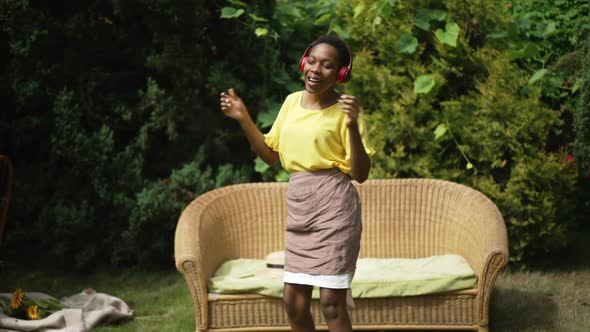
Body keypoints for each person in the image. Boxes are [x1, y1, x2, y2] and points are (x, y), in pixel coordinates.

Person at [219, 35, 374, 332]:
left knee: (331, 302)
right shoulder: (291, 102)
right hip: (300, 207)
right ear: (304, 63)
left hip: (335, 208)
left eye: (328, 66)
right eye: (312, 62)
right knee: (294, 303)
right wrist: (243, 117)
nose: (316, 70)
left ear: (341, 73)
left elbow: (361, 173)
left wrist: (352, 125)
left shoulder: (346, 110)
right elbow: (269, 156)